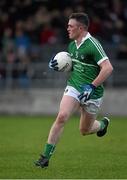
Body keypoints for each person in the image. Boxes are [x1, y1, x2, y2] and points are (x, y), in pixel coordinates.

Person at [35, 12, 113, 168]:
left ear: (81, 28)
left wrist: (92, 86)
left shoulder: (93, 44)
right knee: (62, 116)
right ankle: (45, 157)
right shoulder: (71, 45)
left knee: (85, 130)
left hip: (93, 92)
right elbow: (74, 67)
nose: (67, 28)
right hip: (75, 87)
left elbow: (108, 68)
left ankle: (103, 125)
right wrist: (57, 66)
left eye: (70, 26)